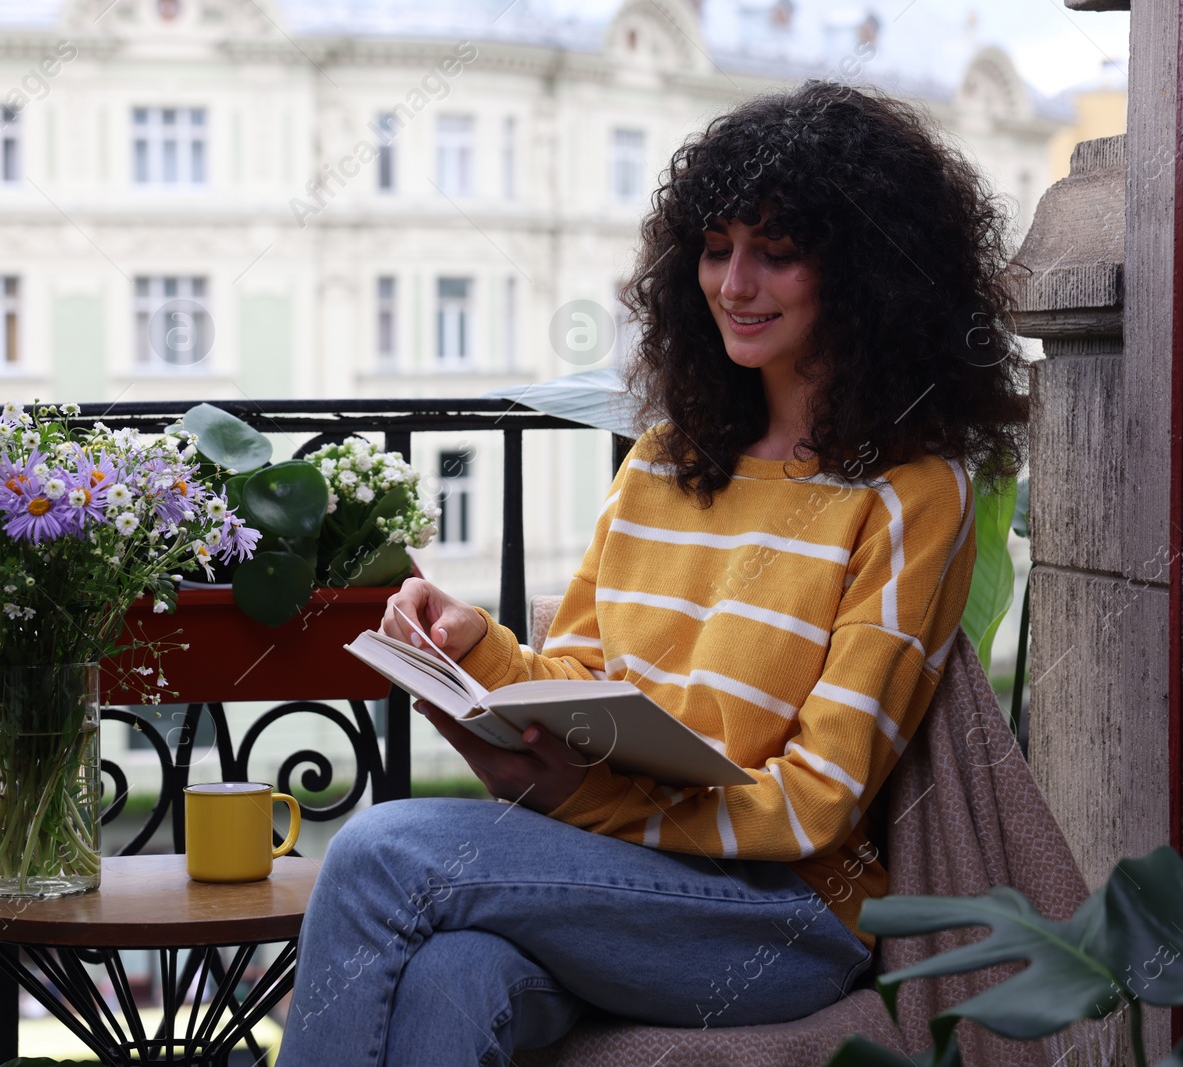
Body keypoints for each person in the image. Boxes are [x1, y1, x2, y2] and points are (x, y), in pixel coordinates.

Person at [275, 79, 1028, 1066]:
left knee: (380, 852)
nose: (735, 283)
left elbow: (816, 802)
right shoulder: (665, 456)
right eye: (716, 250)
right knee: (452, 977)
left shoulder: (906, 493)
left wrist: (571, 799)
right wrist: (475, 649)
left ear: (866, 273)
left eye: (778, 252)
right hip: (621, 878)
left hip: (785, 915)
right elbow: (582, 679)